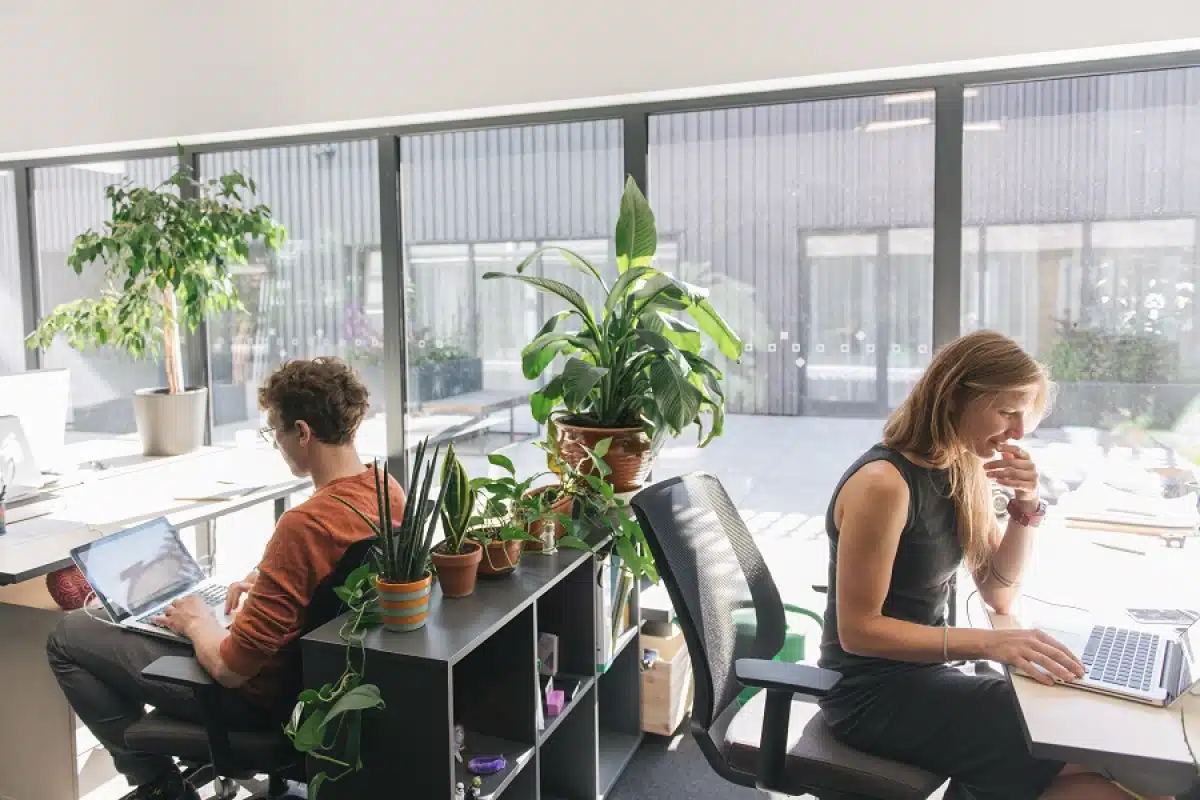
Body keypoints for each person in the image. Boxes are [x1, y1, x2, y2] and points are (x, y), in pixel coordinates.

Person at [817, 330, 1173, 800]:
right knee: (1087, 751)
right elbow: (859, 631)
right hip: (870, 695)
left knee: (1099, 754)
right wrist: (992, 643)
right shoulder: (884, 484)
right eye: (1007, 412)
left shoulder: (960, 466)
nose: (1019, 431)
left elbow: (998, 592)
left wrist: (1026, 504)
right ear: (953, 398)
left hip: (926, 675)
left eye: (1024, 414)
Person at [46, 357, 402, 800]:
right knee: (136, 618)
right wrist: (267, 579)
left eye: (276, 432)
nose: (278, 444)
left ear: (303, 433)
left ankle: (158, 786)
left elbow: (232, 669)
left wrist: (198, 622)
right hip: (321, 683)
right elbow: (331, 568)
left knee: (70, 634)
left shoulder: (303, 524)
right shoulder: (386, 490)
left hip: (255, 700)